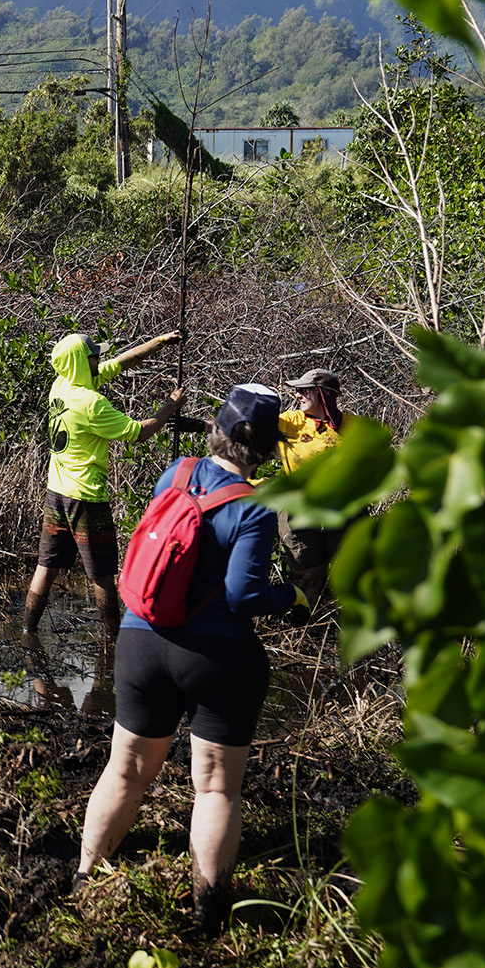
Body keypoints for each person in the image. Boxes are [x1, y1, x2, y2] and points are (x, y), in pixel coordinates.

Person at [76, 384, 309, 935]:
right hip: (216, 655)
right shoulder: (253, 505)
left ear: (217, 429)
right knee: (216, 786)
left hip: (140, 640)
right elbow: (244, 595)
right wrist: (291, 598)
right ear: (268, 450)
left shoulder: (175, 474)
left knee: (126, 769)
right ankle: (209, 910)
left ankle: (84, 877)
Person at [27, 330, 188, 635]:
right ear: (81, 361)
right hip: (86, 498)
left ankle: (27, 631)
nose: (99, 359)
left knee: (45, 565)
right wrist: (170, 405)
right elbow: (139, 432)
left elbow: (121, 362)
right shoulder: (91, 404)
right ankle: (114, 639)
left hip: (56, 492)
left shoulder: (61, 384)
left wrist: (159, 341)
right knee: (102, 573)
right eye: (94, 356)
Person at [277, 368, 350, 602]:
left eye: (303, 390)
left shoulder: (353, 426)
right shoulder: (290, 421)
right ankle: (306, 630)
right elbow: (245, 428)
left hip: (343, 510)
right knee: (307, 575)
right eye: (296, 390)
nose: (297, 395)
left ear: (323, 394)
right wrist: (195, 425)